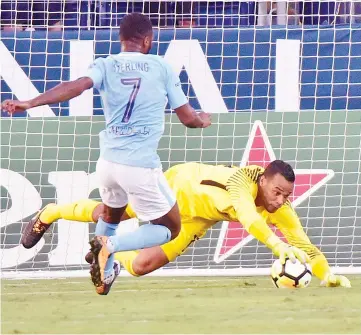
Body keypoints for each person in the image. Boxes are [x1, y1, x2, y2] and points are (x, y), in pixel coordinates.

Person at [1, 13, 211, 295]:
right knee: (171, 228)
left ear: (121, 39)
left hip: (108, 163)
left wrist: (30, 102)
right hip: (139, 166)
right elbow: (187, 119)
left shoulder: (106, 64)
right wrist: (202, 118)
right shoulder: (161, 67)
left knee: (112, 216)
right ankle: (110, 247)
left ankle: (105, 273)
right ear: (147, 40)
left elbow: (74, 87)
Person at [21, 160, 351, 294]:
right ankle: (52, 212)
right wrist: (279, 248)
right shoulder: (241, 184)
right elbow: (249, 219)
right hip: (178, 187)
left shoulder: (282, 207)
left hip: (198, 217)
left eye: (286, 195)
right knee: (115, 214)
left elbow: (303, 243)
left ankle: (108, 250)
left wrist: (326, 273)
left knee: (140, 266)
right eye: (276, 192)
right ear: (263, 181)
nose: (280, 200)